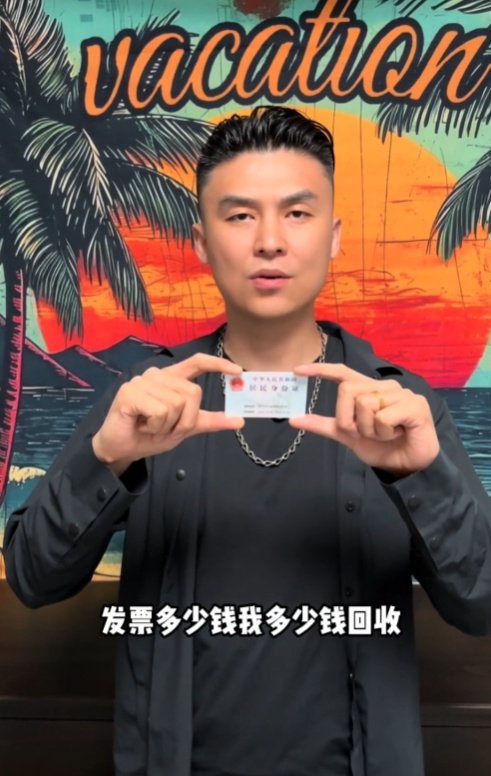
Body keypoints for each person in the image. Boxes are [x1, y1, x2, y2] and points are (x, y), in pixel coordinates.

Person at [4, 106, 491, 776]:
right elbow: (33, 579)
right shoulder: (145, 398)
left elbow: (480, 604)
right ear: (203, 242)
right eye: (239, 216)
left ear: (333, 237)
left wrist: (420, 477)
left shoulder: (400, 407)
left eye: (297, 213)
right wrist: (105, 459)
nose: (269, 241)